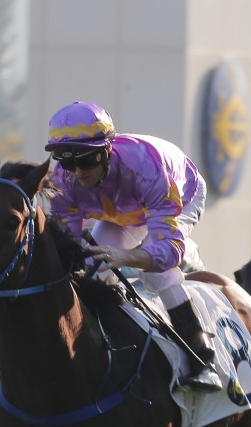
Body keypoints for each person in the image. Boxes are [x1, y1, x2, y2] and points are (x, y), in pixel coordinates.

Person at [43, 100, 221, 393]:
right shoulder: (64, 181)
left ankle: (202, 358)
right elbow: (68, 248)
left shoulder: (145, 168)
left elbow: (168, 252)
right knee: (92, 269)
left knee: (156, 273)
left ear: (106, 151)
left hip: (179, 194)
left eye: (86, 160)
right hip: (123, 210)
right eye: (66, 160)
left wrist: (126, 256)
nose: (78, 172)